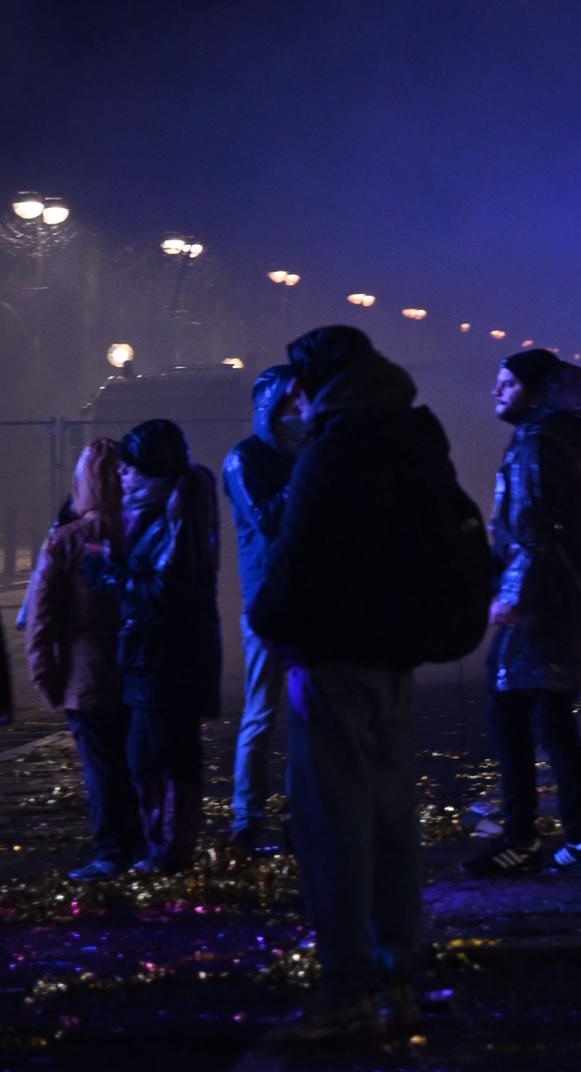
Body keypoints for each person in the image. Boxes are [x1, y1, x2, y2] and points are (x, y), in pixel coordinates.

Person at [250, 325, 463, 1043]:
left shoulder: (333, 447)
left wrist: (269, 621)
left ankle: (346, 983)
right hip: (394, 655)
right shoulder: (411, 435)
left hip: (331, 654)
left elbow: (296, 555)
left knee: (332, 823)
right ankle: (397, 972)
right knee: (391, 817)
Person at [464, 348, 581, 877]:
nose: (496, 392)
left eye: (507, 383)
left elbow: (531, 531)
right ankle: (574, 838)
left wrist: (509, 595)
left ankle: (527, 836)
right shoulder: (578, 444)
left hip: (539, 608)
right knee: (552, 719)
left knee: (515, 715)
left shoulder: (535, 445)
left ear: (534, 391)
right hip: (567, 603)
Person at [86, 419, 221, 876]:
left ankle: (167, 853)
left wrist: (109, 573)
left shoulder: (174, 515)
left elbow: (166, 590)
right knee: (159, 754)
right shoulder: (168, 510)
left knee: (155, 757)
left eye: (129, 470)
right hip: (158, 655)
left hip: (163, 657)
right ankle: (165, 849)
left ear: (151, 472)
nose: (121, 477)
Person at [26, 440, 144, 880]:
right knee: (137, 762)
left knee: (101, 768)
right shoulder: (143, 531)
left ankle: (112, 849)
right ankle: (144, 842)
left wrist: (46, 677)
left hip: (86, 675)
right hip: (138, 669)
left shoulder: (66, 541)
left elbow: (43, 617)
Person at [223, 365, 304, 852]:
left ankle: (299, 813)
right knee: (261, 714)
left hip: (303, 596)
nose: (301, 411)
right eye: (291, 403)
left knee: (302, 714)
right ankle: (246, 819)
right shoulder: (245, 459)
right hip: (267, 600)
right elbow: (268, 519)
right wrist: (307, 479)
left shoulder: (295, 452)